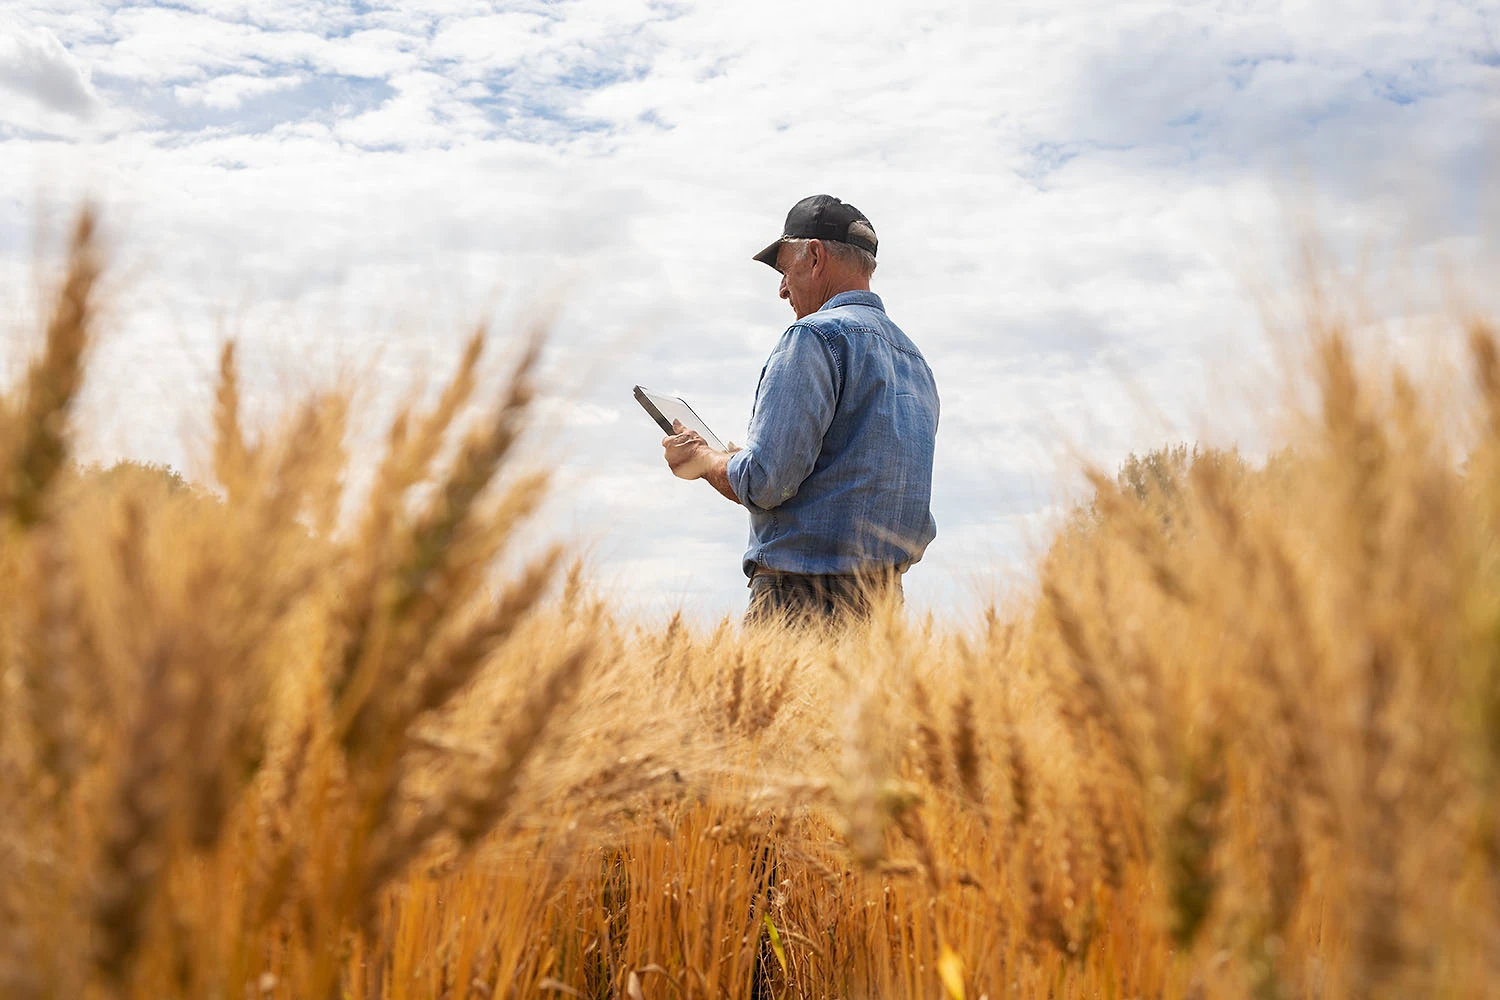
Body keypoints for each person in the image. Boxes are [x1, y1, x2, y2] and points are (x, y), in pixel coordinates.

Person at [661, 194, 940, 626]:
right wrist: (736, 460)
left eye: (784, 270)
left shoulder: (813, 337)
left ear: (814, 256)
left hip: (802, 604)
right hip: (885, 610)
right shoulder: (915, 360)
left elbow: (766, 482)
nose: (782, 288)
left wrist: (704, 460)